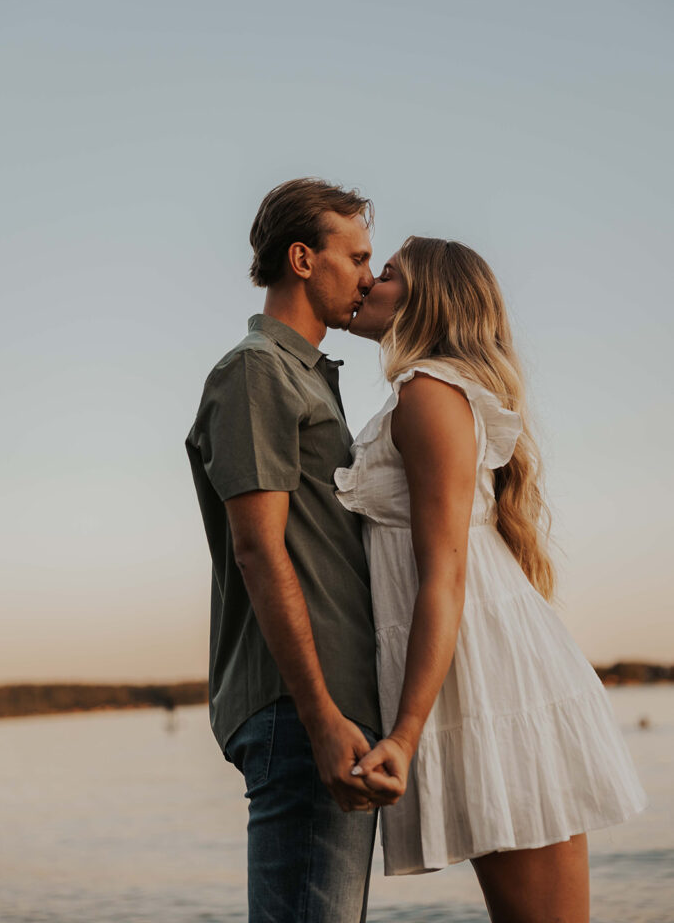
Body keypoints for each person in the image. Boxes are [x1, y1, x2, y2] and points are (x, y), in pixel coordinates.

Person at [335, 237, 646, 923]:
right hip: (482, 666)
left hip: (486, 677)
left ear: (426, 299)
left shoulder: (429, 394)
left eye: (385, 274)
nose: (368, 283)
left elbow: (442, 577)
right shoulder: (419, 395)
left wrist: (405, 734)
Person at [185, 178, 398, 923]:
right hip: (299, 707)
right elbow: (257, 550)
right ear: (303, 259)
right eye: (358, 256)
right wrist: (319, 714)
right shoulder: (257, 371)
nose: (368, 277)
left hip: (326, 707)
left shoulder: (307, 378)